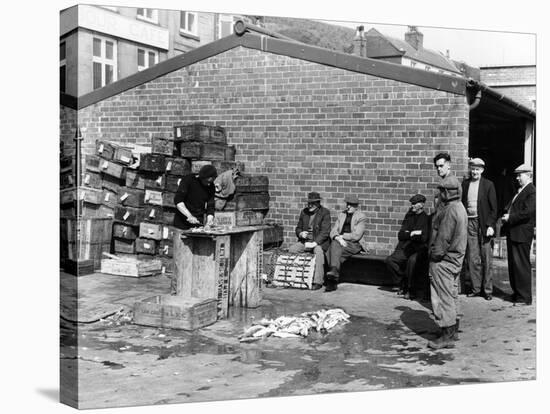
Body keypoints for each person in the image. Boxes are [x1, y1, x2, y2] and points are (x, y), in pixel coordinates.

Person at [427, 176, 468, 349]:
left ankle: (447, 336)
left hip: (444, 261)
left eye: (441, 190)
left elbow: (442, 239)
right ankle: (452, 331)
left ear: (446, 192)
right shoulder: (460, 207)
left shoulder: (451, 210)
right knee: (451, 295)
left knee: (443, 298)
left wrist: (434, 256)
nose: (440, 193)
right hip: (455, 259)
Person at [461, 158, 497, 300]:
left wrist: (490, 225)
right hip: (469, 223)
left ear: (482, 170)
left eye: (477, 169)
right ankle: (476, 289)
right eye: (473, 169)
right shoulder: (465, 184)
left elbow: (494, 209)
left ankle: (487, 291)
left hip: (483, 224)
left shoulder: (488, 185)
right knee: (473, 258)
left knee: (486, 258)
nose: (474, 171)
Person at [501, 164, 536, 306]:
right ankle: (517, 293)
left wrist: (510, 217)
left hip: (522, 233)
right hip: (514, 231)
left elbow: (528, 212)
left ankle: (525, 297)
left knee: (521, 265)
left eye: (519, 175)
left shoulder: (531, 191)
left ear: (529, 175)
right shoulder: (520, 190)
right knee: (514, 265)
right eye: (516, 175)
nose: (517, 178)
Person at [385, 194, 430, 300]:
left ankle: (410, 289)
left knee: (412, 262)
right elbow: (401, 235)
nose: (412, 206)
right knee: (390, 260)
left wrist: (409, 235)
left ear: (422, 204)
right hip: (408, 248)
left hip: (420, 250)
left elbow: (423, 238)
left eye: (415, 204)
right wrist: (412, 234)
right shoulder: (410, 218)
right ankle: (402, 282)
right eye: (412, 204)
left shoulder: (426, 219)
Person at [288, 192, 332, 290]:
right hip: (305, 241)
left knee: (319, 252)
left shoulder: (325, 213)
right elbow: (298, 228)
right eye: (308, 203)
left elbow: (325, 232)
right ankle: (297, 277)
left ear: (318, 203)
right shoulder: (304, 212)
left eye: (313, 203)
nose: (310, 205)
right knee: (292, 249)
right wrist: (300, 233)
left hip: (318, 242)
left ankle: (318, 281)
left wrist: (315, 243)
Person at [325, 195, 369, 292]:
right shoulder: (342, 215)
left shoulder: (361, 217)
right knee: (334, 247)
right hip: (340, 243)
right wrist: (338, 238)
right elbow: (333, 231)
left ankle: (332, 280)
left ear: (356, 206)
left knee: (330, 251)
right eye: (347, 204)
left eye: (351, 205)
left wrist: (342, 237)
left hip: (354, 244)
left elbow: (356, 236)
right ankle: (334, 276)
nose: (348, 206)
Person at [173, 164, 217, 230]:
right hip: (182, 222)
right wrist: (189, 216)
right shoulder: (188, 180)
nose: (209, 184)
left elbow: (210, 207)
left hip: (197, 223)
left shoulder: (211, 187)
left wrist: (209, 221)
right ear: (202, 178)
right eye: (207, 181)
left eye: (211, 182)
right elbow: (178, 201)